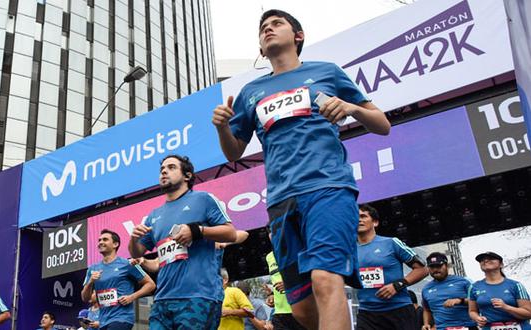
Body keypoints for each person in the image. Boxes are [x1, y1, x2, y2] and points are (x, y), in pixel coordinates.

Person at [212, 8, 390, 329]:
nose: (268, 29)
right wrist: (224, 128)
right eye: (263, 28)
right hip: (280, 201)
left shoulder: (327, 72)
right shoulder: (251, 92)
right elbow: (234, 149)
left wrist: (350, 107)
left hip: (328, 188)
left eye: (276, 24)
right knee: (303, 310)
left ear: (298, 36)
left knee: (326, 279)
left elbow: (382, 124)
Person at [128, 155, 237, 329]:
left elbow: (230, 233)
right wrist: (133, 238)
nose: (164, 171)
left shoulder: (203, 199)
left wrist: (197, 231)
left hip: (198, 295)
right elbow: (136, 253)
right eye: (162, 169)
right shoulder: (154, 215)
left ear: (187, 176)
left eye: (171, 167)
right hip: (162, 299)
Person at [356, 204, 428, 330]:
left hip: (398, 310)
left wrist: (397, 285)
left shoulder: (391, 243)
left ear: (375, 222)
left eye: (363, 216)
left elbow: (423, 269)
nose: (358, 220)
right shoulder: (348, 250)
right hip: (366, 314)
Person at [82, 229, 155, 330]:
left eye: (105, 239)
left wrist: (131, 297)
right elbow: (85, 298)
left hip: (122, 318)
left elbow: (151, 284)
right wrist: (90, 282)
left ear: (115, 244)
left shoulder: (128, 263)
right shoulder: (92, 268)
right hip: (103, 321)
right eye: (99, 240)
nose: (100, 242)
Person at [468, 251, 531, 330]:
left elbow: (529, 313)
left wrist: (506, 307)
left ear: (501, 264)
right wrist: (477, 318)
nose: (485, 261)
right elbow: (472, 311)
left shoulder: (516, 285)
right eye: (482, 260)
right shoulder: (474, 287)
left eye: (491, 258)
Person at [421, 252, 476, 330]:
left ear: (447, 266)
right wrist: (426, 324)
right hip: (442, 328)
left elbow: (477, 301)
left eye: (439, 266)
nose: (435, 269)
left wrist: (460, 300)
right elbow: (426, 309)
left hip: (467, 326)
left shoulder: (463, 281)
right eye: (432, 267)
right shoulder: (426, 289)